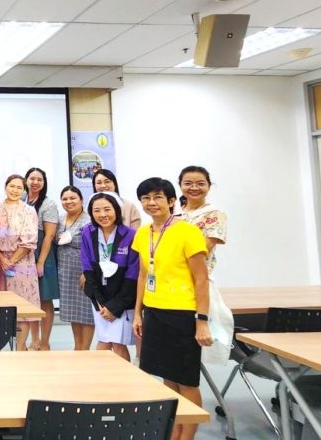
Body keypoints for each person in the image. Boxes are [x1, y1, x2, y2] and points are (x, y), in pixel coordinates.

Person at [131, 177, 213, 440]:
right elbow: (143, 275)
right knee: (166, 377)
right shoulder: (143, 233)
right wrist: (138, 312)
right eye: (146, 198)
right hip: (154, 312)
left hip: (182, 314)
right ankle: (174, 432)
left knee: (186, 381)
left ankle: (187, 436)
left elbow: (201, 279)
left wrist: (202, 320)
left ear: (171, 201)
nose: (151, 203)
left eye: (157, 197)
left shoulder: (188, 232)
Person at [81, 192, 139, 361]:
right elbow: (87, 267)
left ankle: (124, 377)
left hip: (122, 299)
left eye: (107, 209)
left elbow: (132, 274)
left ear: (117, 210)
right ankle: (101, 376)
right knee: (104, 341)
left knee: (117, 344)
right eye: (97, 210)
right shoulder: (88, 232)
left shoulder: (130, 235)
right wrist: (100, 302)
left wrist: (115, 307)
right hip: (98, 297)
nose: (102, 214)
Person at [0, 175, 40, 351]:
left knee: (22, 309)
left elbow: (29, 241)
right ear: (5, 186)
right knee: (2, 307)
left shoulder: (29, 211)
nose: (15, 190)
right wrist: (2, 259)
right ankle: (6, 348)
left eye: (19, 187)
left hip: (23, 263)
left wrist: (10, 261)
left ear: (24, 190)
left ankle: (21, 348)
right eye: (11, 186)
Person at [25, 167, 59, 350]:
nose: (35, 182)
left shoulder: (48, 204)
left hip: (43, 254)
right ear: (26, 180)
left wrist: (40, 262)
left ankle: (45, 341)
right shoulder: (21, 199)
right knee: (29, 299)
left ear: (44, 183)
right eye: (32, 178)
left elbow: (49, 235)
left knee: (45, 299)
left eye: (39, 179)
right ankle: (34, 339)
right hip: (24, 253)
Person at [56, 185, 94, 350]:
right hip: (65, 271)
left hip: (83, 270)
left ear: (81, 200)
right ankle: (77, 346)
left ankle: (85, 348)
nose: (68, 201)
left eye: (73, 198)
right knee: (73, 311)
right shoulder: (60, 219)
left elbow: (94, 248)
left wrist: (88, 272)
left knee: (86, 311)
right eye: (65, 199)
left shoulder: (89, 220)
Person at [177, 166, 227, 272]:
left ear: (209, 186)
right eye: (188, 183)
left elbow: (202, 249)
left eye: (200, 184)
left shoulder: (214, 214)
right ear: (180, 185)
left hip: (197, 276)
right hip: (169, 275)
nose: (194, 188)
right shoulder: (174, 213)